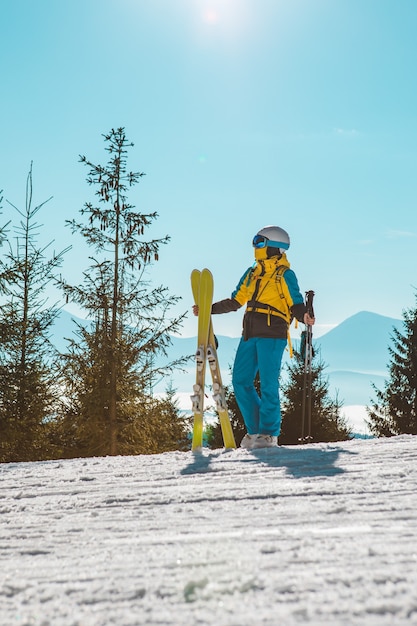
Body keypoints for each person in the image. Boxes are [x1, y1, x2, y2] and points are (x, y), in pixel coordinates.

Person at [193, 225, 315, 450]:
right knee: (240, 381)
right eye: (255, 242)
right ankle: (256, 431)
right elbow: (235, 301)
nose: (255, 247)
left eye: (260, 242)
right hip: (249, 334)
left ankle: (269, 434)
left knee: (268, 385)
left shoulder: (285, 275)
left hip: (273, 334)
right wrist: (208, 309)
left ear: (274, 246)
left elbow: (295, 302)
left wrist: (304, 315)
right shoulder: (252, 273)